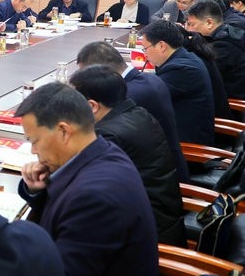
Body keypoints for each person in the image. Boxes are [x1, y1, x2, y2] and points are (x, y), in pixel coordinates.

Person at [15, 82, 158, 276]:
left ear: (64, 131)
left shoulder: (96, 198)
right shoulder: (103, 151)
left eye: (35, 140)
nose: (33, 150)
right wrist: (38, 191)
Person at [69, 65, 186, 246]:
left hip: (144, 237)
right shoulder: (139, 113)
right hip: (164, 218)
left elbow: (81, 188)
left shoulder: (107, 135)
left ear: (92, 106)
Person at [75, 41, 188, 182]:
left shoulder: (126, 96)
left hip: (152, 182)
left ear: (102, 74)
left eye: (85, 76)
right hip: (166, 170)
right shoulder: (150, 78)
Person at [138, 20, 215, 146]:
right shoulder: (184, 58)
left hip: (186, 145)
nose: (145, 54)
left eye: (145, 49)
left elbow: (145, 97)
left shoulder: (181, 69)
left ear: (162, 46)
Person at [184, 0, 245, 99]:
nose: (189, 29)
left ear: (209, 23)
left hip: (232, 101)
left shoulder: (224, 45)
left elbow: (201, 75)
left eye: (192, 24)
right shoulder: (228, 32)